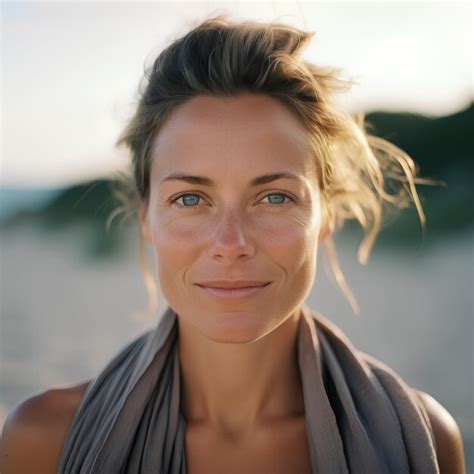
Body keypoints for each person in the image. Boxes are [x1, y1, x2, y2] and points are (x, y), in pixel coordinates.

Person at [0, 15, 466, 474]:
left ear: (327, 217)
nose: (231, 243)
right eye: (189, 198)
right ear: (146, 219)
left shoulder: (421, 439)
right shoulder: (45, 442)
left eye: (274, 197)